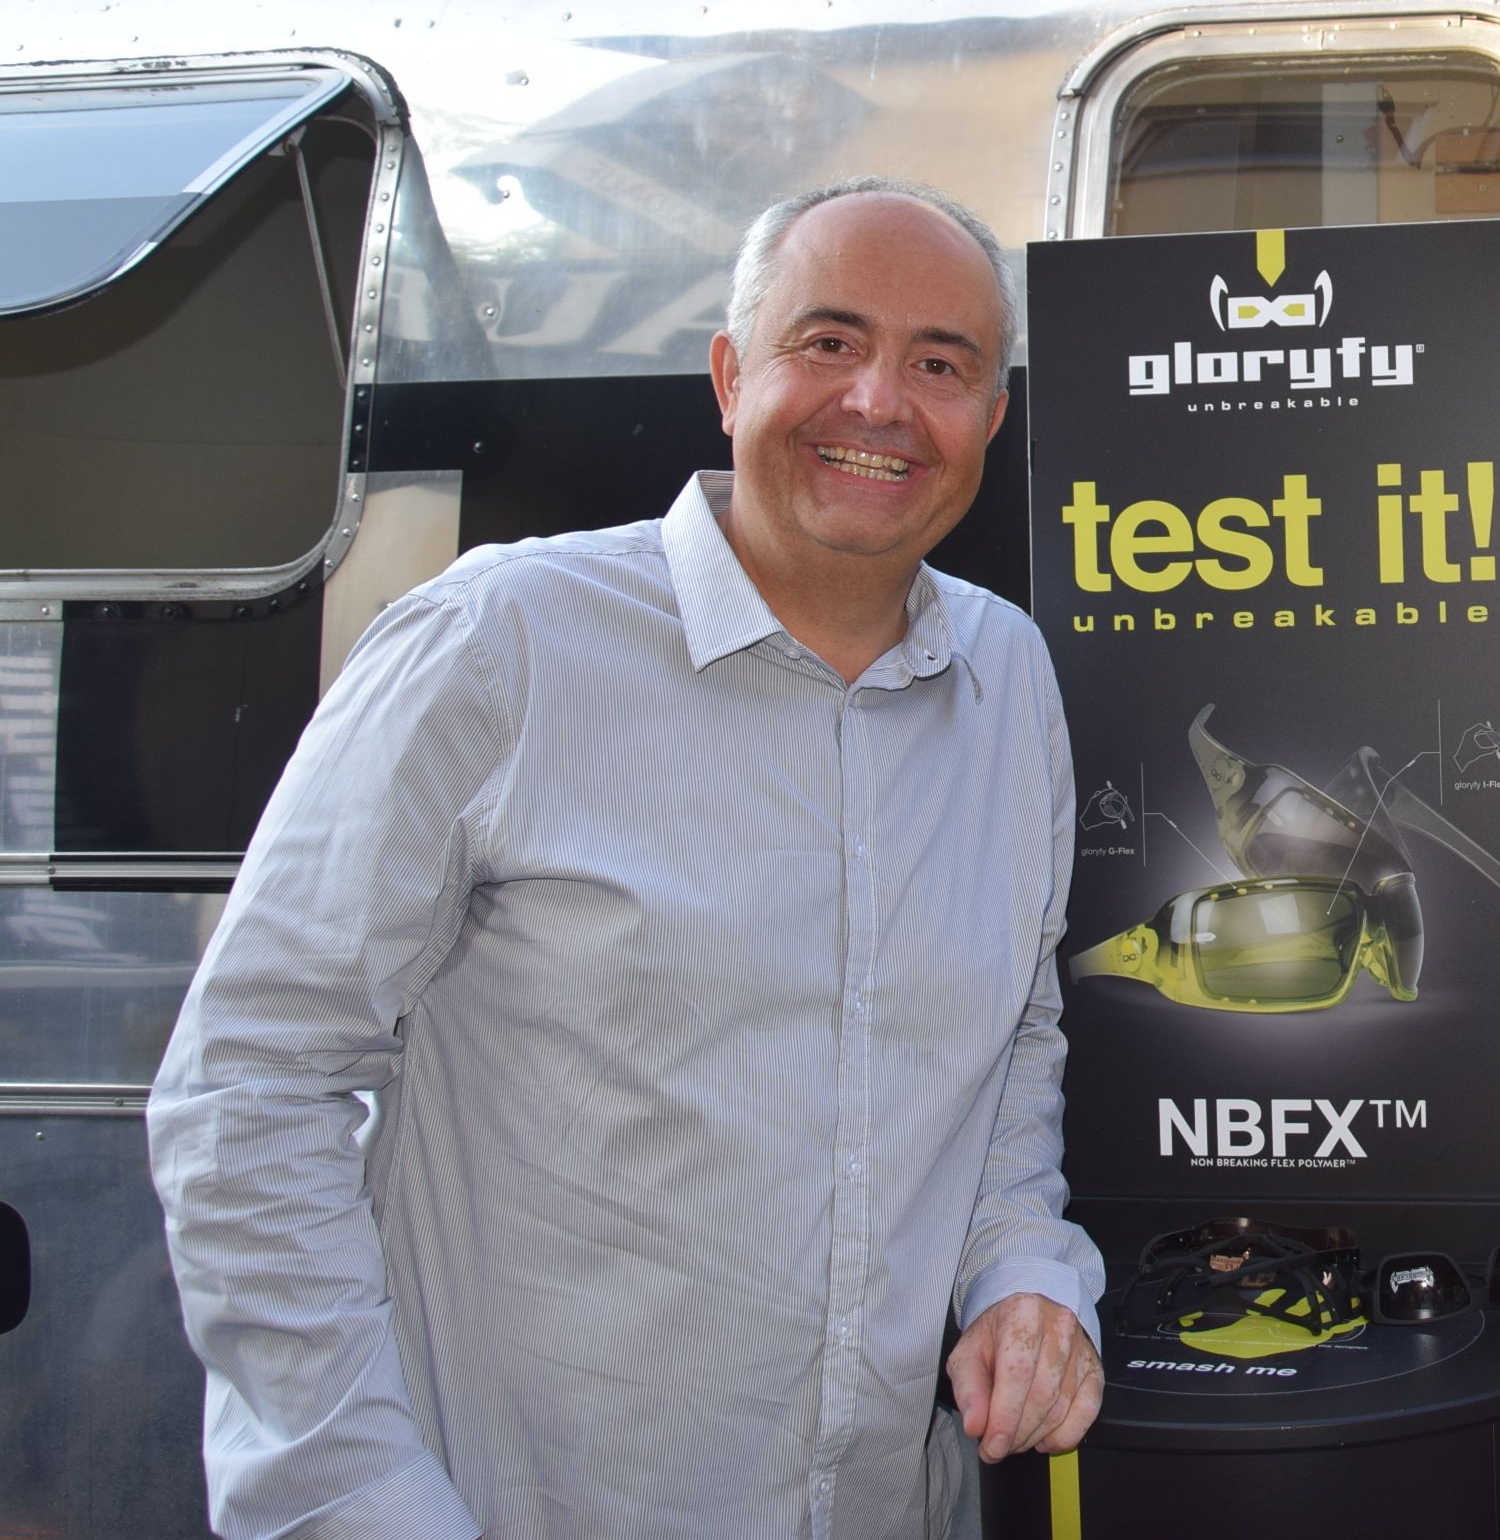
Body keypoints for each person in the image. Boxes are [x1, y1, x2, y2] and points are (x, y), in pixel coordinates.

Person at [149, 180, 1102, 1540]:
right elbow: (252, 1085)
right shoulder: (500, 641)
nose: (880, 401)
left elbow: (1012, 1041)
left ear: (991, 423)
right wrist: (354, 1495)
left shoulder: (1007, 678)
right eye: (829, 342)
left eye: (940, 364)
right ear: (731, 377)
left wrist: (1021, 1269)